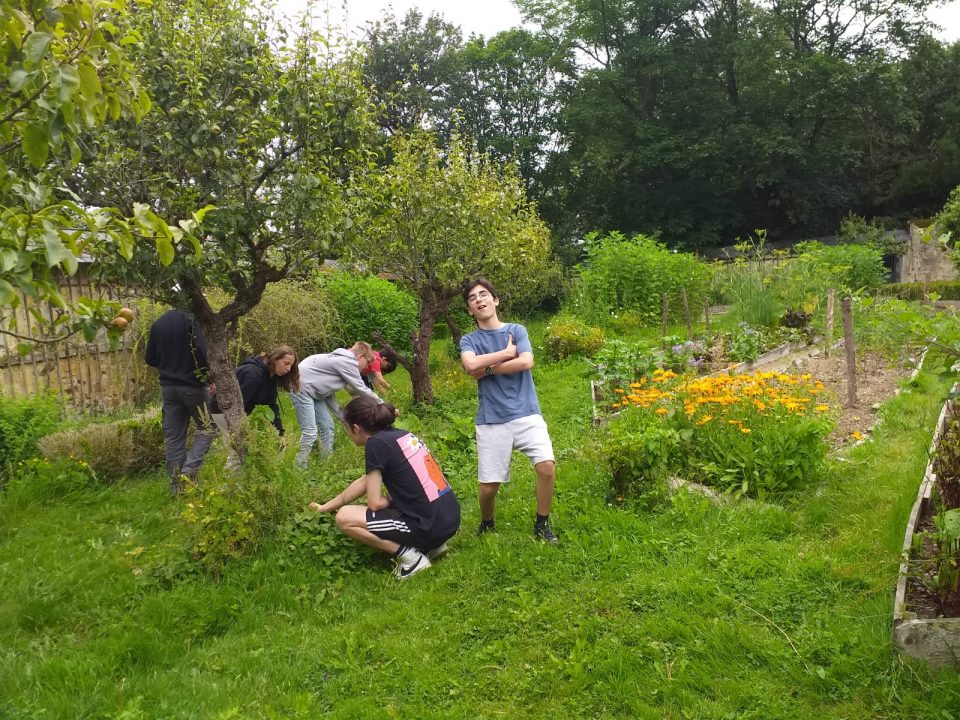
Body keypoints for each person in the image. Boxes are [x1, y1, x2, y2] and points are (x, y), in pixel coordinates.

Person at [309, 396, 460, 580]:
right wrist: (324, 508)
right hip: (449, 518)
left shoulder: (375, 444)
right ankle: (433, 546)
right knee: (393, 500)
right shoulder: (402, 435)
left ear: (356, 428)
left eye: (347, 429)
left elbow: (374, 504)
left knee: (344, 517)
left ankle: (412, 558)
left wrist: (390, 500)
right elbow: (365, 481)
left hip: (429, 526)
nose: (348, 433)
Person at [459, 278, 559, 543]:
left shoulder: (517, 329)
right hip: (492, 419)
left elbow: (526, 361)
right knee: (488, 489)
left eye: (484, 294)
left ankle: (542, 524)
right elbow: (470, 365)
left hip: (527, 412)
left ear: (495, 300)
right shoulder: (469, 339)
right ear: (470, 310)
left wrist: (487, 369)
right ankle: (487, 522)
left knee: (547, 466)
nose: (479, 300)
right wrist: (506, 353)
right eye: (472, 298)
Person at [144, 308, 215, 494]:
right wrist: (209, 376)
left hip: (168, 389)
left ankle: (177, 487)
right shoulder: (194, 319)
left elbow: (149, 358)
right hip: (194, 387)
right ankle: (188, 472)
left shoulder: (159, 322)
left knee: (174, 437)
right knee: (207, 428)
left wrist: (169, 365)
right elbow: (201, 350)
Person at [206, 346, 300, 470]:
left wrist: (280, 433)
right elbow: (240, 405)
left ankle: (241, 484)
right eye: (286, 363)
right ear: (275, 359)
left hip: (242, 413)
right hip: (225, 411)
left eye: (291, 366)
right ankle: (227, 488)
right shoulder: (253, 373)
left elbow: (271, 406)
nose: (288, 369)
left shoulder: (271, 376)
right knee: (237, 452)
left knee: (246, 452)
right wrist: (246, 428)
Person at [290, 341, 381, 468]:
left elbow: (327, 393)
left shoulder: (340, 360)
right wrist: (382, 405)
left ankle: (326, 463)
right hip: (301, 389)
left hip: (313, 391)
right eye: (368, 362)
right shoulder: (347, 362)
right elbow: (361, 389)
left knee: (327, 426)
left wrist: (343, 418)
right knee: (310, 431)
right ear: (360, 357)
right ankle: (299, 467)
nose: (367, 368)